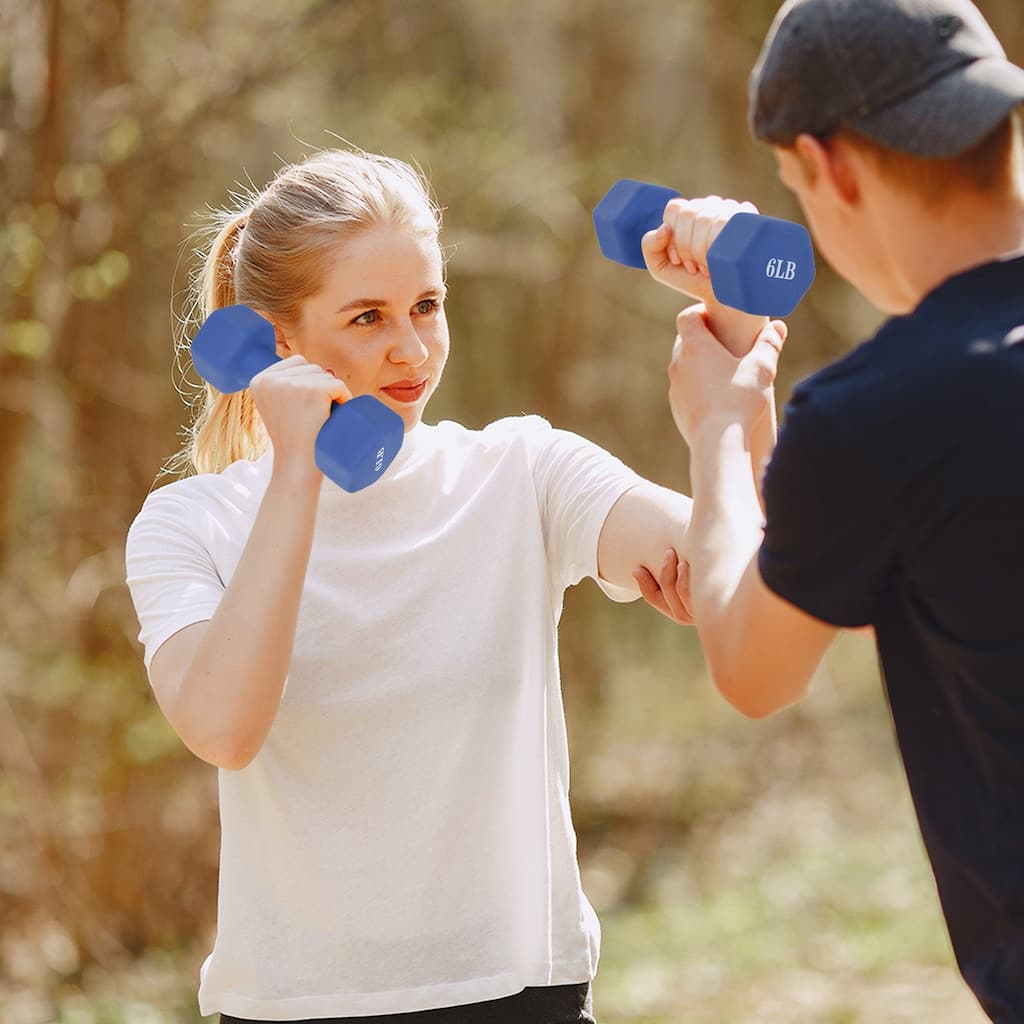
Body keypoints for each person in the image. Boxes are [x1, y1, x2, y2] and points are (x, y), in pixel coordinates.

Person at [123, 147, 770, 1023]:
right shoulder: (188, 526)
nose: (412, 349)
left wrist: (737, 353)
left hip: (518, 992)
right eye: (367, 318)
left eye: (427, 306)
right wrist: (296, 480)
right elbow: (225, 728)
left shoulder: (524, 471)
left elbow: (734, 571)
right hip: (293, 1004)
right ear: (277, 343)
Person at [637, 0, 1024, 1018]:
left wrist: (724, 421)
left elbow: (754, 661)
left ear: (832, 169)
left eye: (795, 188)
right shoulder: (879, 425)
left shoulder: (883, 417)